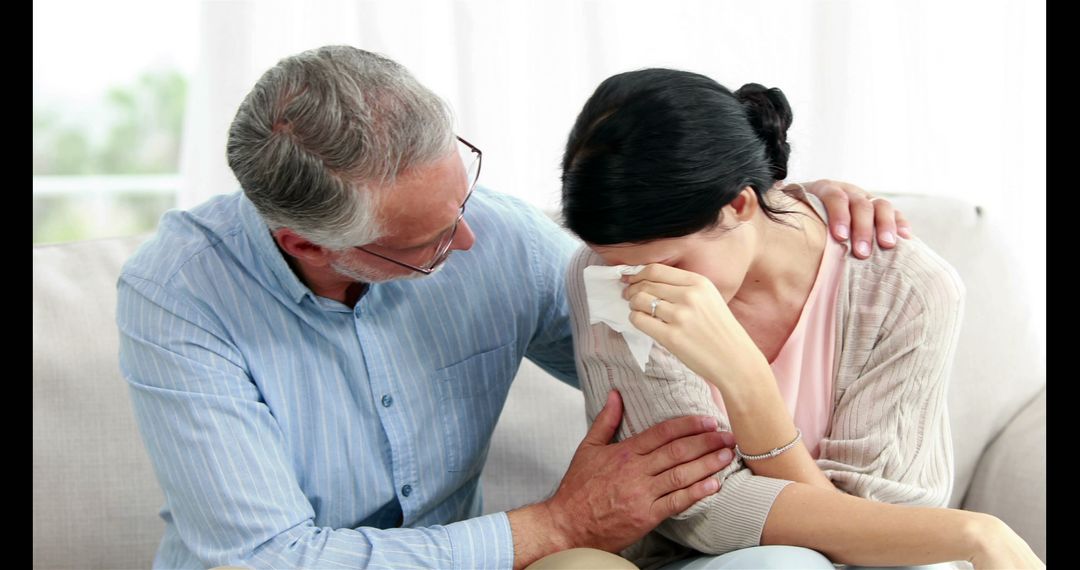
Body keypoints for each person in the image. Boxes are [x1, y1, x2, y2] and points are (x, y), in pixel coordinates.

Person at [117, 46, 910, 569]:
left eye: (460, 191)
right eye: (424, 244)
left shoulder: (489, 232)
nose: (468, 242)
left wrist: (786, 222)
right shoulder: (180, 297)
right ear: (307, 246)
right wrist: (556, 525)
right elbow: (267, 559)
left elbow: (675, 338)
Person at [559, 68, 1043, 569]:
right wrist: (972, 532)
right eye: (620, 266)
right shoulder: (606, 280)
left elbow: (886, 524)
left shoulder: (907, 289)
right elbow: (696, 506)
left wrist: (747, 384)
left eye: (673, 263)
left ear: (739, 204)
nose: (642, 286)